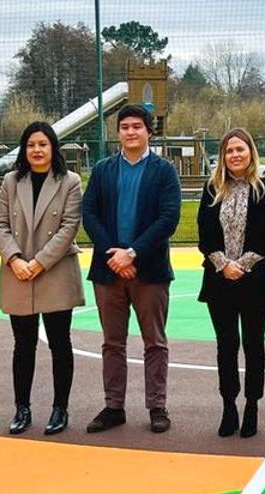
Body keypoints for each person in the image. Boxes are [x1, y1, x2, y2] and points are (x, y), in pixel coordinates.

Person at [82, 104, 181, 434]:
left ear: (149, 131)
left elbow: (168, 219)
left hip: (149, 271)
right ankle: (114, 407)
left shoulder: (164, 171)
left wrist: (133, 253)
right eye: (124, 126)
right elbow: (90, 214)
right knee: (113, 343)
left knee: (154, 342)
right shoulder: (103, 170)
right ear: (118, 132)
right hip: (109, 270)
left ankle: (157, 406)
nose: (130, 132)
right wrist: (115, 255)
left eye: (137, 126)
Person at [0, 121, 85, 435]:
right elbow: (1, 224)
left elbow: (69, 226)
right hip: (18, 272)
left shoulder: (69, 181)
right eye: (31, 144)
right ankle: (23, 408)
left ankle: (60, 408)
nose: (36, 150)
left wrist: (40, 262)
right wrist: (16, 259)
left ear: (52, 148)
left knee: (60, 343)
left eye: (43, 144)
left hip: (55, 271)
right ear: (25, 149)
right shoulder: (10, 181)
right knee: (23, 345)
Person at [197, 128, 265, 438]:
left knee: (253, 345)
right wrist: (222, 264)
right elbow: (204, 234)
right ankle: (229, 406)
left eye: (240, 149)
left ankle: (252, 405)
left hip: (255, 280)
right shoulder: (212, 189)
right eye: (229, 150)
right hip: (220, 281)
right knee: (226, 345)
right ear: (223, 156)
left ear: (250, 153)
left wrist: (242, 266)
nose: (235, 155)